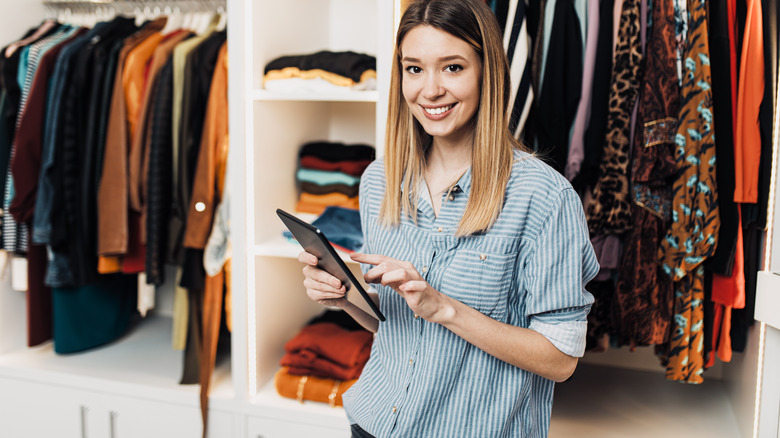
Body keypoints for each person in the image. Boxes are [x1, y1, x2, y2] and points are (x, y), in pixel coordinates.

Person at [298, 0, 598, 436]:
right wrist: (344, 296)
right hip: (374, 420)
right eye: (414, 69)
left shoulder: (544, 197)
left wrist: (445, 308)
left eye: (453, 67)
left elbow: (560, 360)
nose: (430, 90)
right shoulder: (379, 179)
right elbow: (392, 324)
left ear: (487, 73)